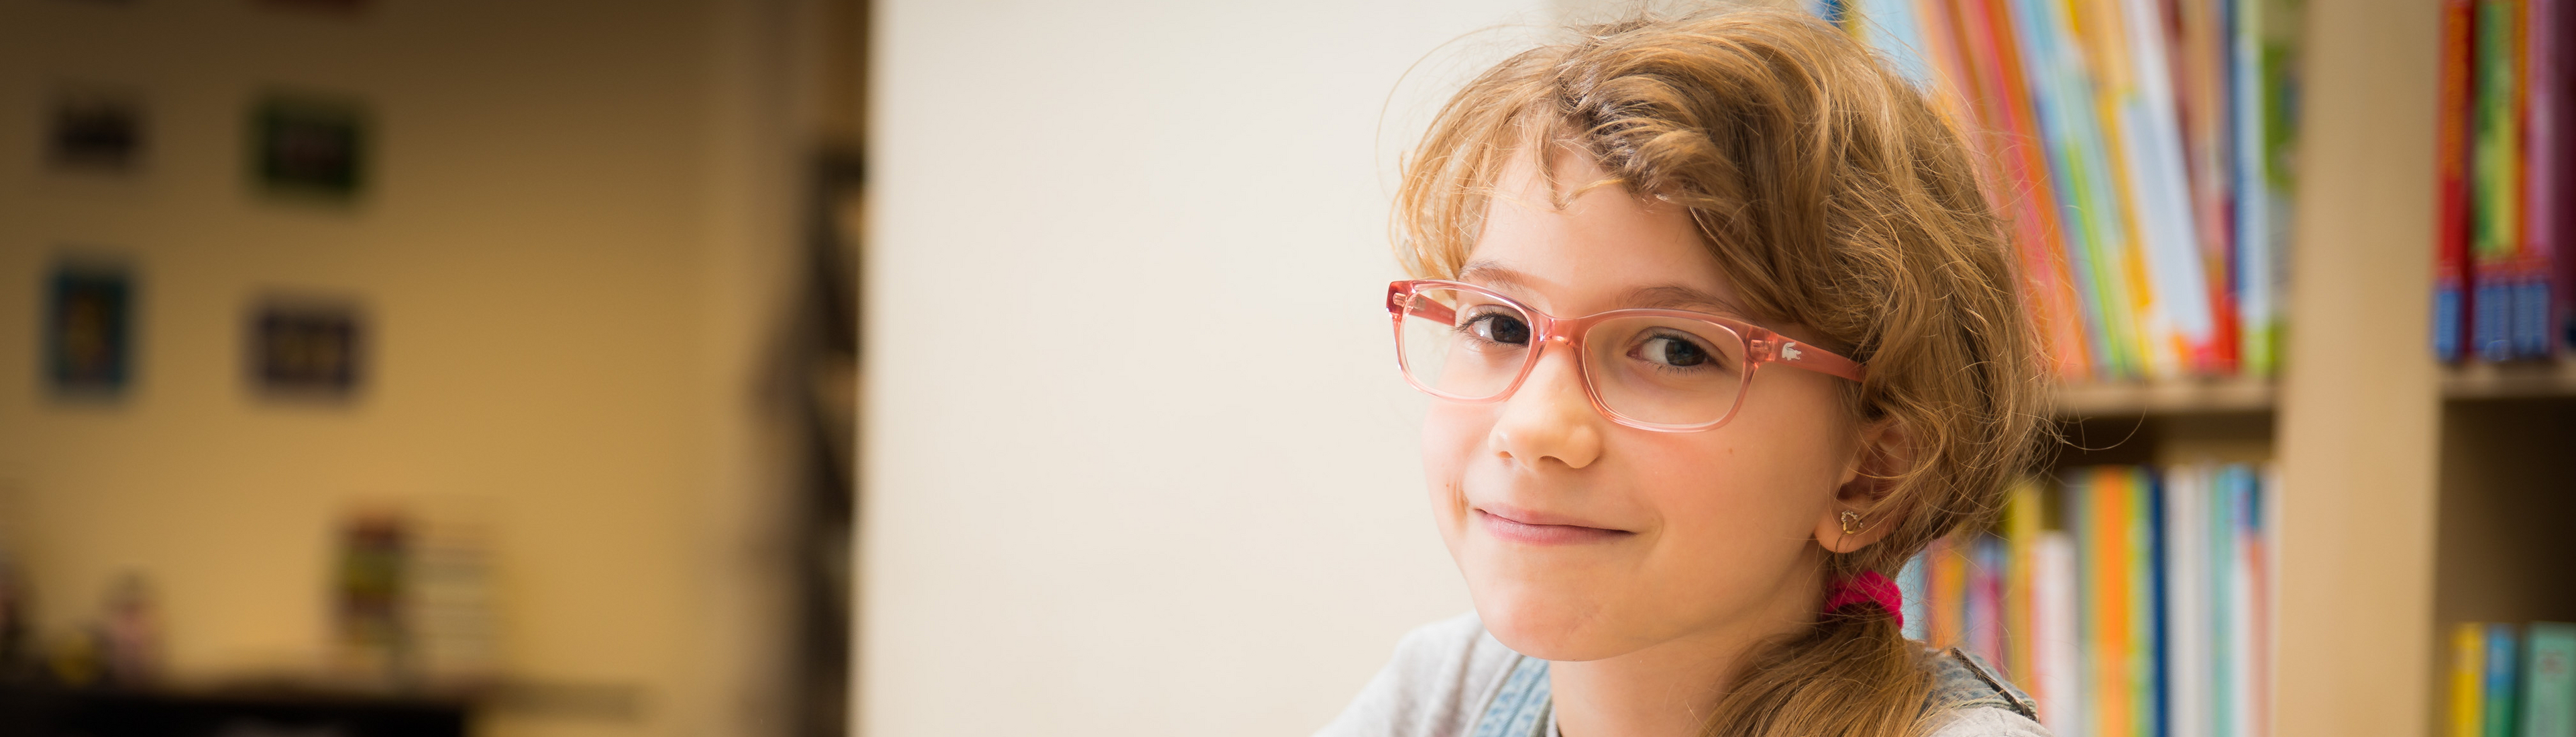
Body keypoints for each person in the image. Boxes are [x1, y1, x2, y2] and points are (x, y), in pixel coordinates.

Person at [1320, 8, 2050, 737]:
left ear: (1870, 475)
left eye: (1675, 349)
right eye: (1501, 326)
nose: (1533, 427)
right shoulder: (1446, 693)